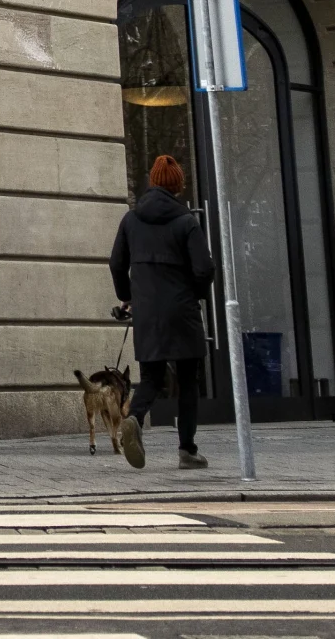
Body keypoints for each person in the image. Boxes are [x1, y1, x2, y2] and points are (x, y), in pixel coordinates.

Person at [109, 154, 218, 470]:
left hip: (147, 310)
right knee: (187, 379)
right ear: (178, 187)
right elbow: (205, 267)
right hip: (182, 309)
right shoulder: (186, 222)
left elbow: (116, 263)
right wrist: (194, 294)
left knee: (152, 377)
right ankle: (187, 451)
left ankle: (135, 418)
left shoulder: (131, 219)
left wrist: (127, 297)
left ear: (152, 182)